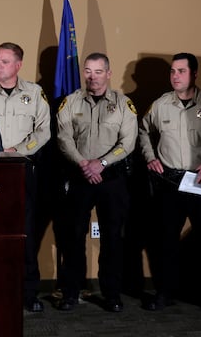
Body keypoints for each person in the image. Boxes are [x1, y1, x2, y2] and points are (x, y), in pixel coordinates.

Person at [138, 52, 201, 315]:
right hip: (171, 182)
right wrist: (150, 157)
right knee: (166, 241)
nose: (175, 76)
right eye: (172, 71)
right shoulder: (160, 105)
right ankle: (165, 293)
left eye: (181, 71)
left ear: (194, 74)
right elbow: (144, 131)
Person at [55, 52, 138, 312]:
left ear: (109, 73)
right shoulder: (70, 102)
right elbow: (64, 138)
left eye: (98, 71)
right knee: (73, 237)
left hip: (111, 179)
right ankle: (71, 292)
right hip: (80, 177)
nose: (92, 77)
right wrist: (83, 164)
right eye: (88, 71)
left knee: (112, 238)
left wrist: (100, 163)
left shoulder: (124, 104)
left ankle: (111, 294)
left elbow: (128, 142)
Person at [0, 42, 51, 312]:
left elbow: (44, 131)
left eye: (4, 61)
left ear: (18, 65)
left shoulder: (34, 93)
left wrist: (16, 151)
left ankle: (28, 293)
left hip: (21, 170)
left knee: (24, 234)